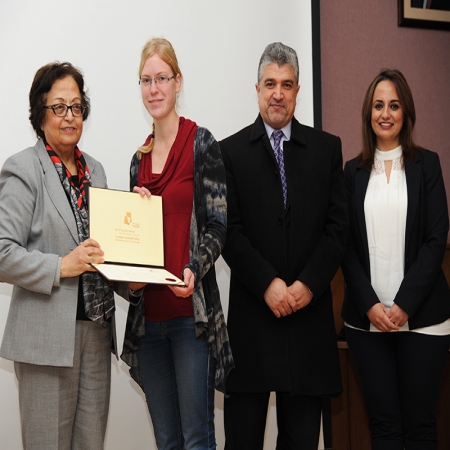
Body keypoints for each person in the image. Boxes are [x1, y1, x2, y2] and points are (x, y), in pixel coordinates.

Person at [219, 42, 348, 450]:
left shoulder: (327, 149)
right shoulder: (229, 152)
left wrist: (308, 284)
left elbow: (337, 228)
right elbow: (228, 232)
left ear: (297, 91)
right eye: (270, 83)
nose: (278, 93)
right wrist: (268, 284)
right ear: (257, 88)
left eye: (287, 84)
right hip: (253, 325)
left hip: (307, 326)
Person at [0, 62, 127, 449]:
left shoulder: (97, 172)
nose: (70, 116)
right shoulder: (23, 169)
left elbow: (104, 253)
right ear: (40, 116)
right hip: (45, 340)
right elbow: (3, 251)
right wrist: (61, 266)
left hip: (96, 335)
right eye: (59, 107)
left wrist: (136, 278)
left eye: (76, 106)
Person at [120, 38, 234, 450]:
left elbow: (218, 225)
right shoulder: (138, 160)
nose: (154, 89)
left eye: (162, 78)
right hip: (149, 322)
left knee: (197, 438)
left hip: (191, 318)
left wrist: (194, 268)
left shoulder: (202, 143)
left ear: (178, 82)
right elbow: (132, 242)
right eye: (146, 80)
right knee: (167, 441)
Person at [342, 68, 450, 450]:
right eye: (378, 105)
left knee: (420, 428)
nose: (385, 114)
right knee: (384, 429)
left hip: (424, 320)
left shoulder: (427, 165)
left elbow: (436, 238)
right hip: (366, 322)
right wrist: (370, 305)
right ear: (368, 113)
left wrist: (404, 304)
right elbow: (345, 245)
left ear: (406, 113)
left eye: (394, 105)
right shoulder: (351, 172)